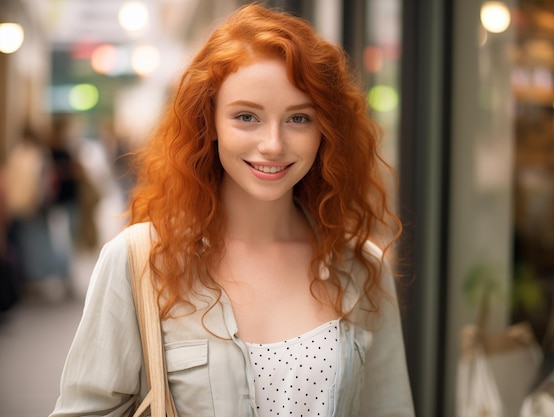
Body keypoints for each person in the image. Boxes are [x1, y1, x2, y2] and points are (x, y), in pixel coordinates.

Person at [50, 4, 414, 417]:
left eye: (298, 118)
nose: (273, 144)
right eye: (246, 117)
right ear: (210, 125)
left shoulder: (363, 267)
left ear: (325, 131)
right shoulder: (140, 261)